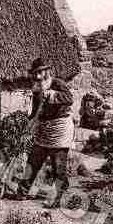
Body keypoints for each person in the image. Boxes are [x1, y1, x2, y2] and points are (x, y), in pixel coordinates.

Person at [17, 58, 74, 208]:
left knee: (58, 166)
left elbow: (69, 99)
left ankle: (58, 197)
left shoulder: (58, 84)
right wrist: (28, 125)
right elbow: (35, 112)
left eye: (40, 73)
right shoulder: (37, 89)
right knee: (33, 162)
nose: (37, 76)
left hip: (59, 130)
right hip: (43, 130)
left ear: (47, 72)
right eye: (35, 73)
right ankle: (22, 192)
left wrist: (53, 95)